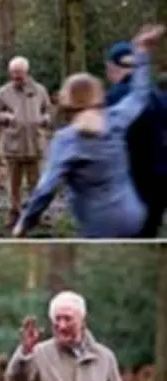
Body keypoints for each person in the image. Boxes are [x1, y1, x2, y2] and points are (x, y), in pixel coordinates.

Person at [13, 24, 165, 238]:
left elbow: (46, 187)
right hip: (134, 217)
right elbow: (139, 94)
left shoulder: (67, 139)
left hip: (100, 227)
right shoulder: (115, 119)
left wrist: (24, 224)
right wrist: (141, 51)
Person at [105, 41, 167, 238]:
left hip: (126, 185)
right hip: (158, 184)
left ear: (112, 67)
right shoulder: (158, 96)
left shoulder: (112, 99)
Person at [0, 56, 52, 228]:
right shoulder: (3, 92)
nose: (17, 75)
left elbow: (48, 110)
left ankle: (37, 215)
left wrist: (45, 118)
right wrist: (6, 117)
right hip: (13, 145)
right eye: (14, 72)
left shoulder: (40, 90)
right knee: (13, 184)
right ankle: (14, 214)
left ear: (27, 71)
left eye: (20, 72)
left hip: (35, 144)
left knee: (37, 183)